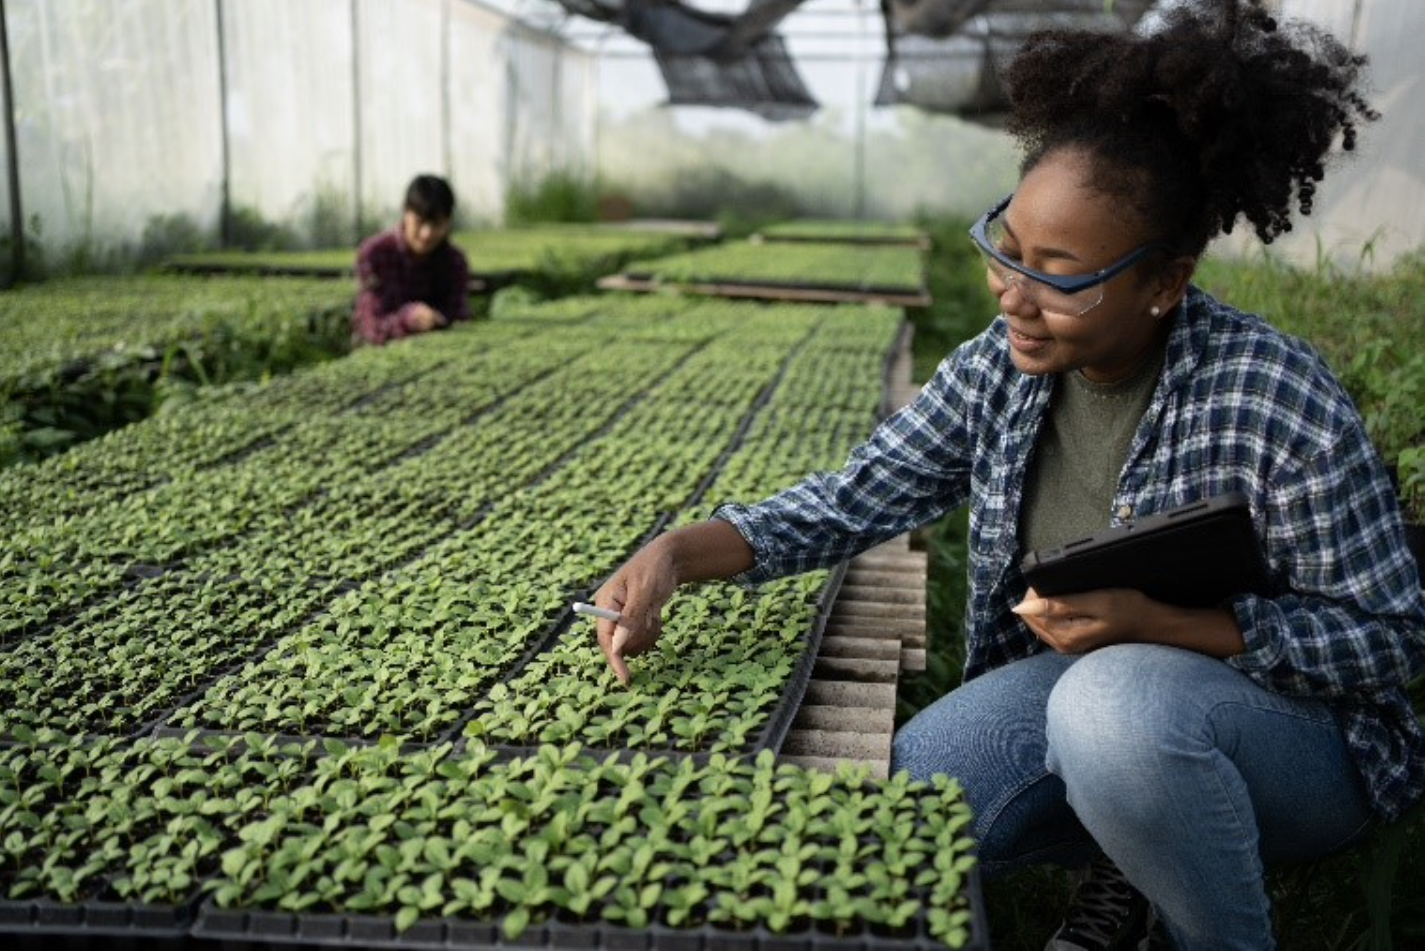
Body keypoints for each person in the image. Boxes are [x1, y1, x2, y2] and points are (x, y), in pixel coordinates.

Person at [588, 2, 1425, 949]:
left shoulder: (1275, 396)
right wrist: (677, 553)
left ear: (1164, 282)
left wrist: (1167, 626)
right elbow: (855, 497)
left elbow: (1390, 638)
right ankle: (1132, 862)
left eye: (1058, 274)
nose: (1013, 295)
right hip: (1083, 706)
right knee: (902, 818)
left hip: (1300, 742)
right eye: (1007, 248)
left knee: (1110, 709)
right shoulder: (1001, 368)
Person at [352, 174, 471, 345]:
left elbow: (460, 318)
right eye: (420, 222)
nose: (426, 234)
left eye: (437, 224)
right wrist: (409, 319)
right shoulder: (375, 254)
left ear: (448, 221)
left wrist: (439, 319)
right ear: (405, 211)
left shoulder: (454, 262)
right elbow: (371, 327)